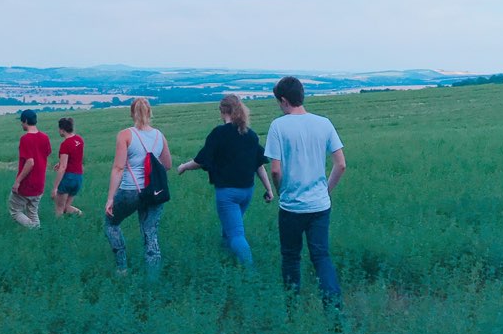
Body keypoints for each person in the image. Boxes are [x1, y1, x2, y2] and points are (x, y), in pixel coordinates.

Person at [264, 76, 346, 306]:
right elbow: (341, 164)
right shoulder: (324, 123)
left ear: (283, 100)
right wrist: (326, 191)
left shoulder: (278, 126)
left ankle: (292, 308)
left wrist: (282, 193)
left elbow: (276, 171)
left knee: (290, 257)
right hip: (320, 205)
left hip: (291, 206)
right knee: (321, 257)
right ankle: (334, 309)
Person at [176, 94, 274, 266]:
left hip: (228, 194)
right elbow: (259, 165)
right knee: (229, 229)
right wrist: (269, 189)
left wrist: (183, 166)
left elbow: (201, 160)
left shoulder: (219, 133)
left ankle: (250, 273)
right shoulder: (250, 135)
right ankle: (226, 260)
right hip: (247, 192)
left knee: (236, 234)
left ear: (223, 111)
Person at [103, 97, 173, 274]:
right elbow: (168, 165)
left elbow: (119, 168)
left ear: (131, 113)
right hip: (154, 192)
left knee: (111, 224)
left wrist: (110, 198)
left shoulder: (125, 135)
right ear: (149, 112)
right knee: (150, 234)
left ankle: (122, 268)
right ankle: (153, 279)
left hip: (131, 191)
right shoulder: (159, 135)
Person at [9, 109, 52, 229]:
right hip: (40, 183)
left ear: (26, 121)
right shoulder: (45, 137)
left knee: (15, 211)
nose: (21, 124)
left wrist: (18, 181)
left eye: (22, 122)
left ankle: (33, 229)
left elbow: (30, 162)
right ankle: (38, 233)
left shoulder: (25, 139)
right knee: (32, 211)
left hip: (27, 183)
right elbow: (45, 154)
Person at [51, 116, 85, 217]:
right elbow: (75, 157)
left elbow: (63, 168)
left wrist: (55, 187)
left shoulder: (65, 144)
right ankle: (81, 215)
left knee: (59, 209)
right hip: (78, 178)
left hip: (68, 177)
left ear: (62, 130)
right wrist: (60, 162)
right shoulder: (79, 140)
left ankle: (58, 229)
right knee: (66, 207)